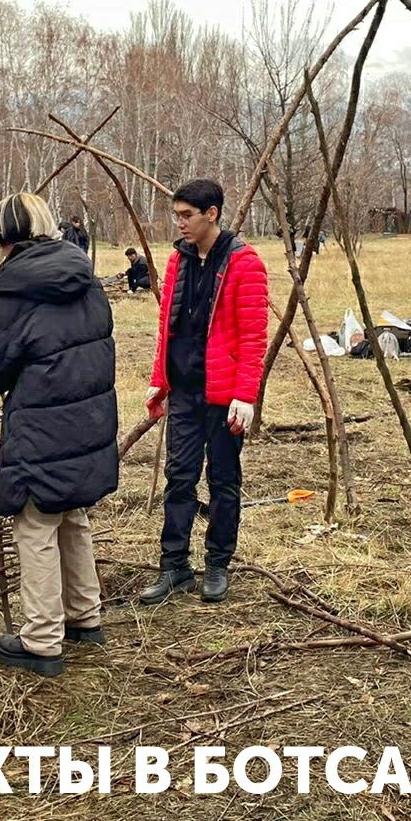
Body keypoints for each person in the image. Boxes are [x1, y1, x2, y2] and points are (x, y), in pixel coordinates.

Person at [0, 193, 117, 678]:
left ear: (0, 239)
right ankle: (84, 617)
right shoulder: (83, 274)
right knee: (70, 512)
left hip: (42, 422)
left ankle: (41, 640)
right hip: (89, 416)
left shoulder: (12, 290)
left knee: (34, 524)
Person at [141, 178, 267, 606]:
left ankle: (217, 564)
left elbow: (253, 336)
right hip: (184, 391)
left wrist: (245, 395)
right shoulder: (178, 260)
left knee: (224, 480)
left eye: (187, 215)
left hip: (224, 395)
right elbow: (167, 326)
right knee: (179, 478)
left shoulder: (244, 263)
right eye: (176, 215)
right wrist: (160, 377)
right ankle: (174, 566)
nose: (179, 223)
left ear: (211, 213)